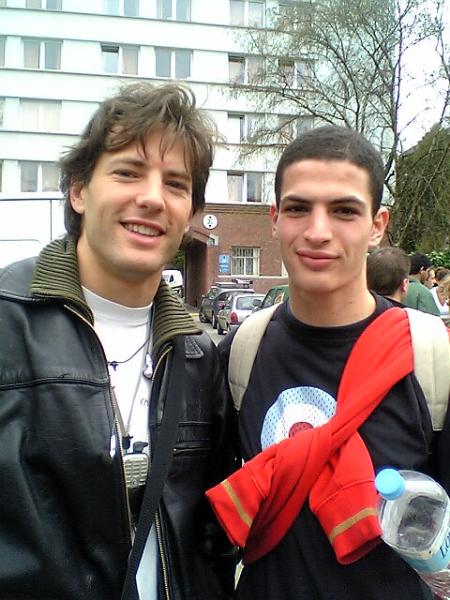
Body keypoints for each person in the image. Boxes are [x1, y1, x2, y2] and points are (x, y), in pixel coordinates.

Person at [0, 83, 237, 600]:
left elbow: (212, 532)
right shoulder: (8, 323)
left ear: (189, 213)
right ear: (79, 191)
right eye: (128, 172)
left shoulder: (198, 355)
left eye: (175, 183)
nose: (151, 197)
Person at [207, 125, 450, 599]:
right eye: (298, 208)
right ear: (275, 218)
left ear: (377, 224)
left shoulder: (430, 359)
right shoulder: (239, 354)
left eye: (344, 210)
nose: (317, 232)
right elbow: (207, 527)